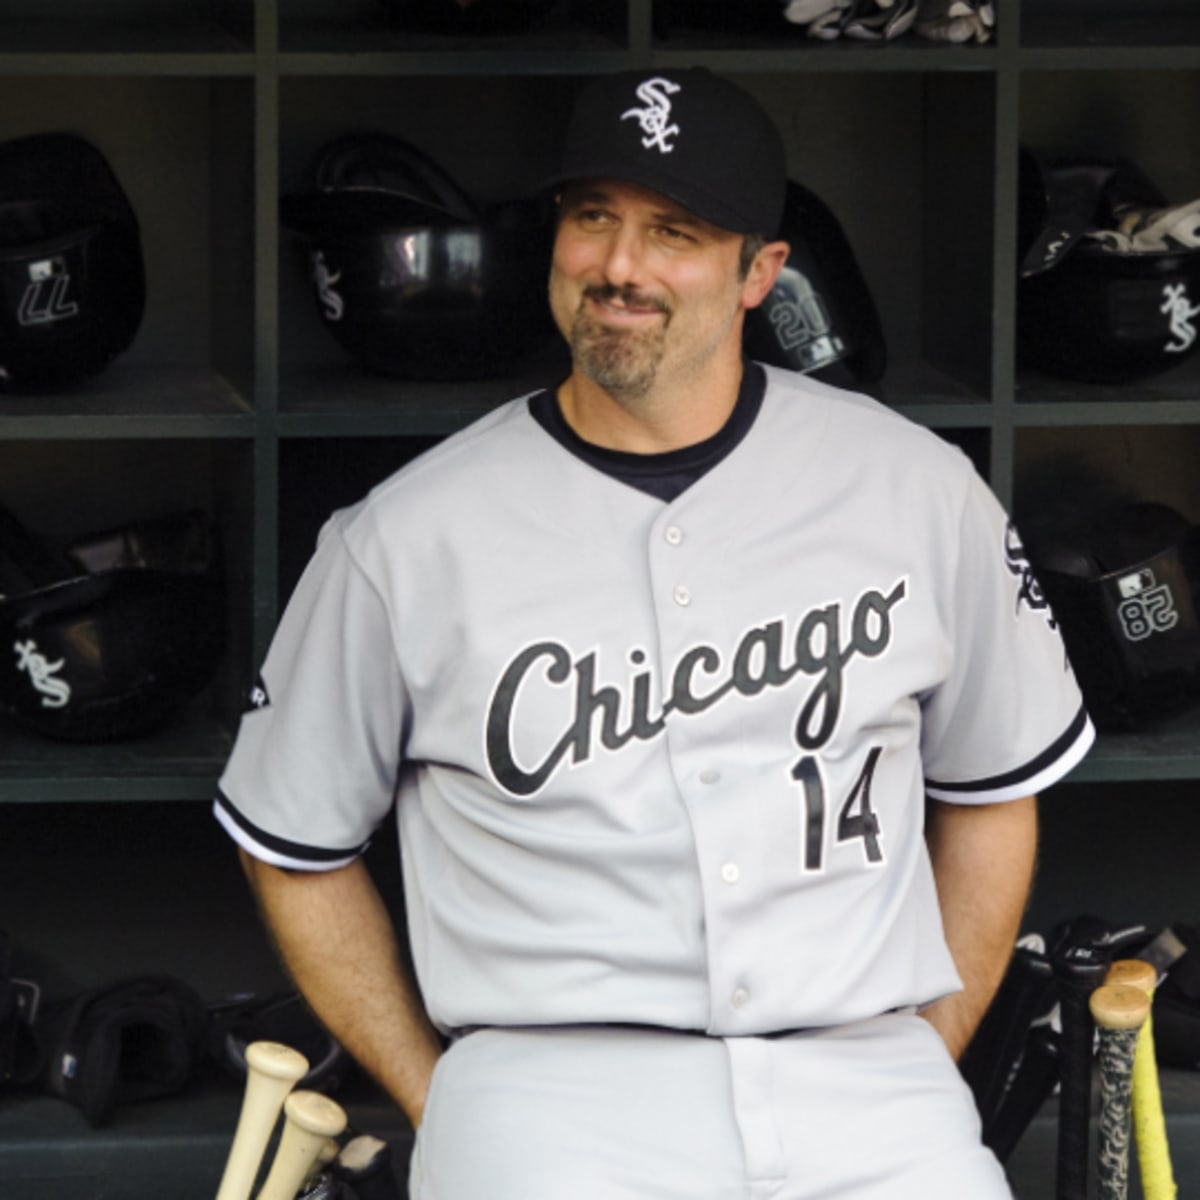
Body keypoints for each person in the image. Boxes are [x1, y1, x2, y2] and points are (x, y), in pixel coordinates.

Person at [214, 66, 1095, 1199]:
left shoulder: (917, 491)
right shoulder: (404, 537)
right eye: (594, 219)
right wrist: (441, 1093)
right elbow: (291, 841)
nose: (620, 266)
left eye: (674, 231)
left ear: (758, 273)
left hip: (872, 1088)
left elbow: (992, 790)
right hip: (546, 1101)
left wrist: (932, 1043)